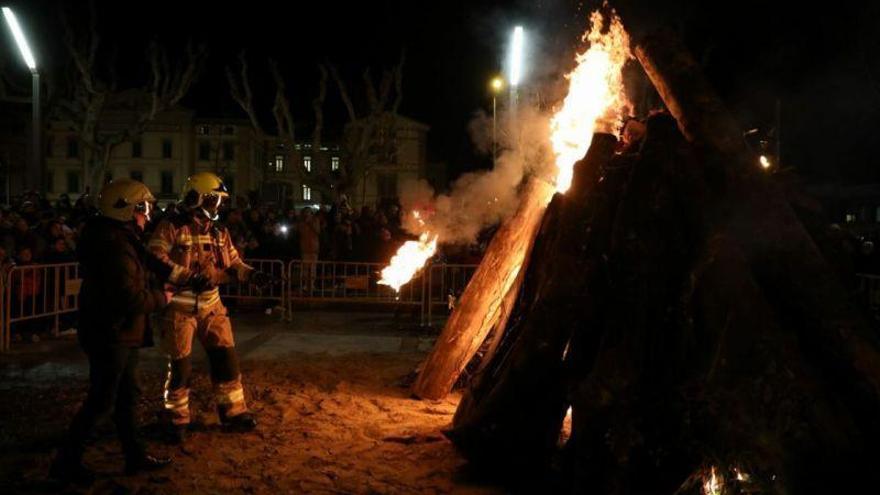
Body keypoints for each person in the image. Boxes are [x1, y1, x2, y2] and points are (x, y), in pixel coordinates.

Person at [50, 178, 173, 484]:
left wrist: (173, 274)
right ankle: (67, 462)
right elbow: (128, 297)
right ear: (128, 210)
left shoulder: (119, 236)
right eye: (143, 209)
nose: (147, 215)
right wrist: (163, 298)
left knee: (127, 396)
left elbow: (148, 262)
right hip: (111, 333)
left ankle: (134, 455)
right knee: (102, 401)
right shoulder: (115, 244)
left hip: (120, 332)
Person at [148, 172, 274, 443]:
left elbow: (233, 262)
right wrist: (188, 277)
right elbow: (155, 258)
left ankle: (234, 412)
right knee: (180, 368)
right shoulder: (171, 226)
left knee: (226, 360)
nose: (219, 206)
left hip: (212, 306)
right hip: (179, 308)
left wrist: (252, 274)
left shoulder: (219, 231)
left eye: (219, 201)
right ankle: (176, 420)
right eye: (214, 199)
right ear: (196, 198)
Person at [298, 207, 321, 291]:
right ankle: (305, 284)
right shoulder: (301, 222)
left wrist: (310, 222)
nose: (307, 214)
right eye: (306, 212)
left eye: (309, 212)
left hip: (314, 248)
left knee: (313, 268)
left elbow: (317, 231)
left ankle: (311, 285)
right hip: (305, 248)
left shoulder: (315, 220)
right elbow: (301, 232)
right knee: (305, 268)